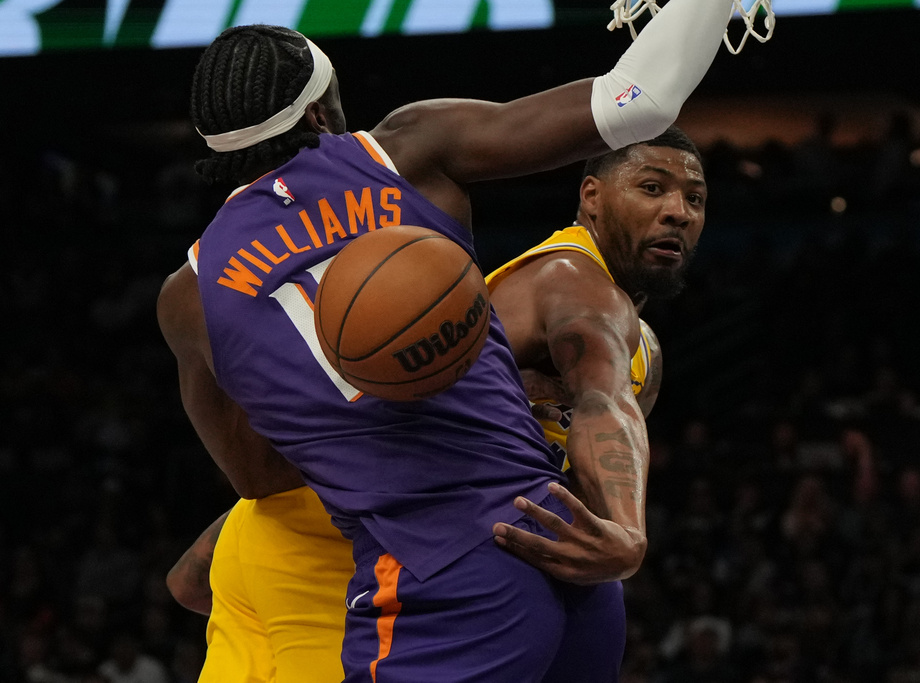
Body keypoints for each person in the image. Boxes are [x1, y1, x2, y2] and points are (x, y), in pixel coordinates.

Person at [156, 6, 728, 679]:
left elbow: (262, 480)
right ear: (321, 113)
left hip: (440, 582)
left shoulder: (187, 297)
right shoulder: (405, 150)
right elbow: (642, 99)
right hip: (558, 543)